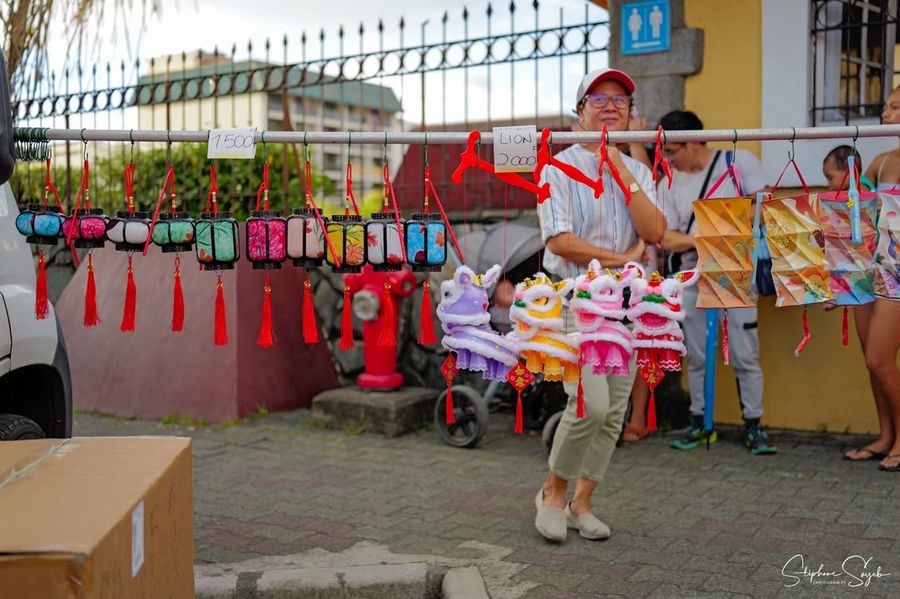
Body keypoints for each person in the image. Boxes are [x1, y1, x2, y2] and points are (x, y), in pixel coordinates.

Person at [533, 68, 665, 542]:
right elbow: (561, 240)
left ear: (632, 116)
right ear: (578, 116)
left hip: (628, 303)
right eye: (598, 99)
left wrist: (622, 167)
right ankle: (552, 493)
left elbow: (654, 232)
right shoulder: (557, 168)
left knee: (615, 411)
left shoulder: (641, 173)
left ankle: (581, 503)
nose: (610, 106)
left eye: (621, 101)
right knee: (589, 403)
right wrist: (622, 258)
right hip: (578, 299)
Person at [649, 110, 776, 455]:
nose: (667, 159)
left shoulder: (738, 162)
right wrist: (706, 238)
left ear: (691, 142)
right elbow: (665, 237)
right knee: (697, 357)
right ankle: (700, 423)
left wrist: (712, 227)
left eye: (671, 151)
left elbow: (765, 207)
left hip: (736, 273)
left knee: (745, 353)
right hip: (691, 276)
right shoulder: (668, 183)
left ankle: (754, 425)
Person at [843, 87, 900, 472]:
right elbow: (855, 220)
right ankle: (885, 437)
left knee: (880, 360)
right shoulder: (879, 162)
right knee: (871, 362)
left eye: (896, 106)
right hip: (869, 270)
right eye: (886, 106)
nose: (886, 112)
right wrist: (839, 279)